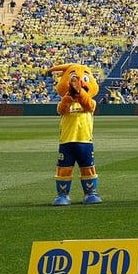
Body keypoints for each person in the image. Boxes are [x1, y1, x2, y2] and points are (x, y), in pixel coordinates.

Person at [51, 65, 101, 206]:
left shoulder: (91, 102)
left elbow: (89, 106)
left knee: (88, 168)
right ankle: (63, 195)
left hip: (85, 141)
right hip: (66, 141)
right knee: (64, 169)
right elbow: (61, 109)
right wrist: (70, 95)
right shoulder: (64, 102)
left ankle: (90, 193)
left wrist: (79, 92)